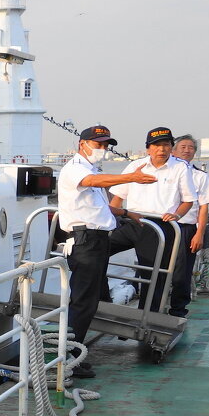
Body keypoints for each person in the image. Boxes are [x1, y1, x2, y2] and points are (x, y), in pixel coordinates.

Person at [56, 125, 158, 377]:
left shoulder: (92, 169)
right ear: (82, 144)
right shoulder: (75, 169)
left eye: (105, 145)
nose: (102, 149)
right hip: (85, 242)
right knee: (82, 302)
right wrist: (131, 177)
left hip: (98, 241)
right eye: (98, 144)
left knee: (91, 300)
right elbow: (92, 182)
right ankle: (67, 359)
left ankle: (74, 352)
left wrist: (126, 212)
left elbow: (99, 205)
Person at [108, 127, 195, 315]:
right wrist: (110, 221)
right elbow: (117, 197)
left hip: (159, 226)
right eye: (156, 145)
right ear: (148, 148)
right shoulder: (136, 166)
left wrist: (177, 215)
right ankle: (101, 300)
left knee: (153, 274)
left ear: (171, 147)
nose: (161, 149)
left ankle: (147, 317)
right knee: (97, 251)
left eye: (166, 145)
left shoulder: (180, 168)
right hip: (132, 222)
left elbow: (188, 200)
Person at [169, 135, 209, 318]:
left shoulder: (200, 177)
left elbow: (203, 208)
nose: (187, 150)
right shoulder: (166, 171)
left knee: (182, 273)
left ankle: (178, 311)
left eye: (190, 147)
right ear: (173, 150)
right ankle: (152, 306)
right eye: (182, 146)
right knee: (156, 267)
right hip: (163, 225)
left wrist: (199, 233)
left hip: (186, 227)